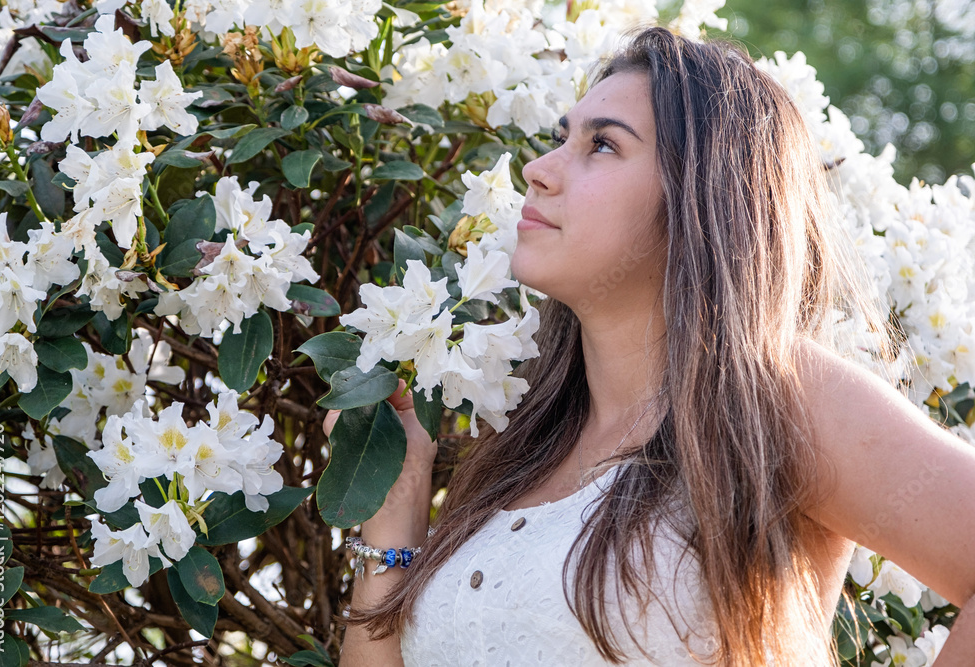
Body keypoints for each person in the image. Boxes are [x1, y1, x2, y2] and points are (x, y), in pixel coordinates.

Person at [327, 27, 975, 666]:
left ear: (701, 198)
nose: (538, 169)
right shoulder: (521, 447)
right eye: (561, 138)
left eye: (602, 144)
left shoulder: (778, 396)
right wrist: (394, 521)